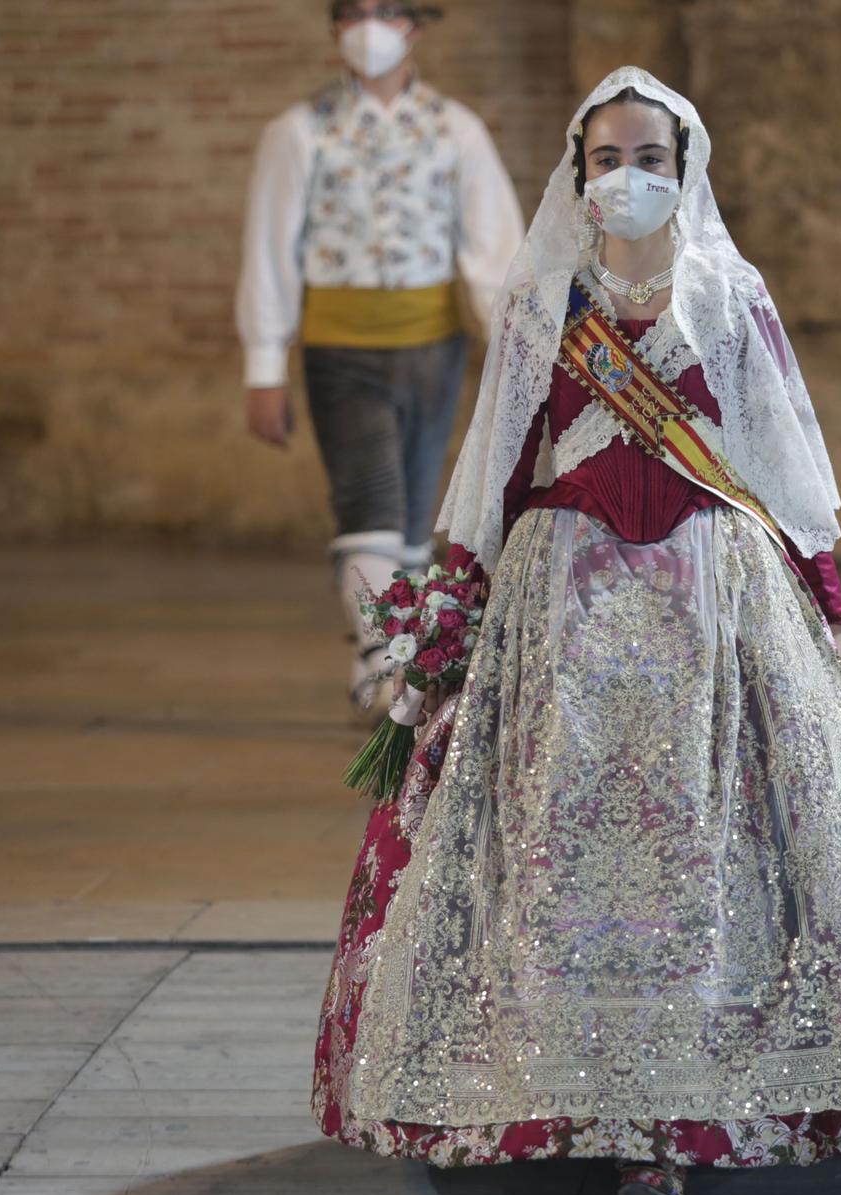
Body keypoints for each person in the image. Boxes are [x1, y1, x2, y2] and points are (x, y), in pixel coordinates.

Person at [311, 66, 841, 1195]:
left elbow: (782, 472)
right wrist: (452, 610)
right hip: (562, 612)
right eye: (604, 160)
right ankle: (567, 1096)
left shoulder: (729, 296)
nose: (626, 179)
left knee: (716, 845)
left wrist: (834, 619)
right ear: (576, 174)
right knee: (561, 847)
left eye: (647, 160)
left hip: (715, 605)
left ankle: (694, 1104)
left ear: (683, 170)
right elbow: (492, 472)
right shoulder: (537, 305)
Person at [237, 1, 524, 714]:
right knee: (369, 500)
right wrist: (264, 368)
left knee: (414, 513)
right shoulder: (298, 133)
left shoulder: (455, 130)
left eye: (387, 10)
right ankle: (378, 661)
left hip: (433, 347)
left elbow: (495, 251)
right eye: (354, 11)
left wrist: (518, 349)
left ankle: (404, 658)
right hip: (341, 347)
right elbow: (269, 252)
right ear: (334, 27)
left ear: (417, 25)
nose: (370, 26)